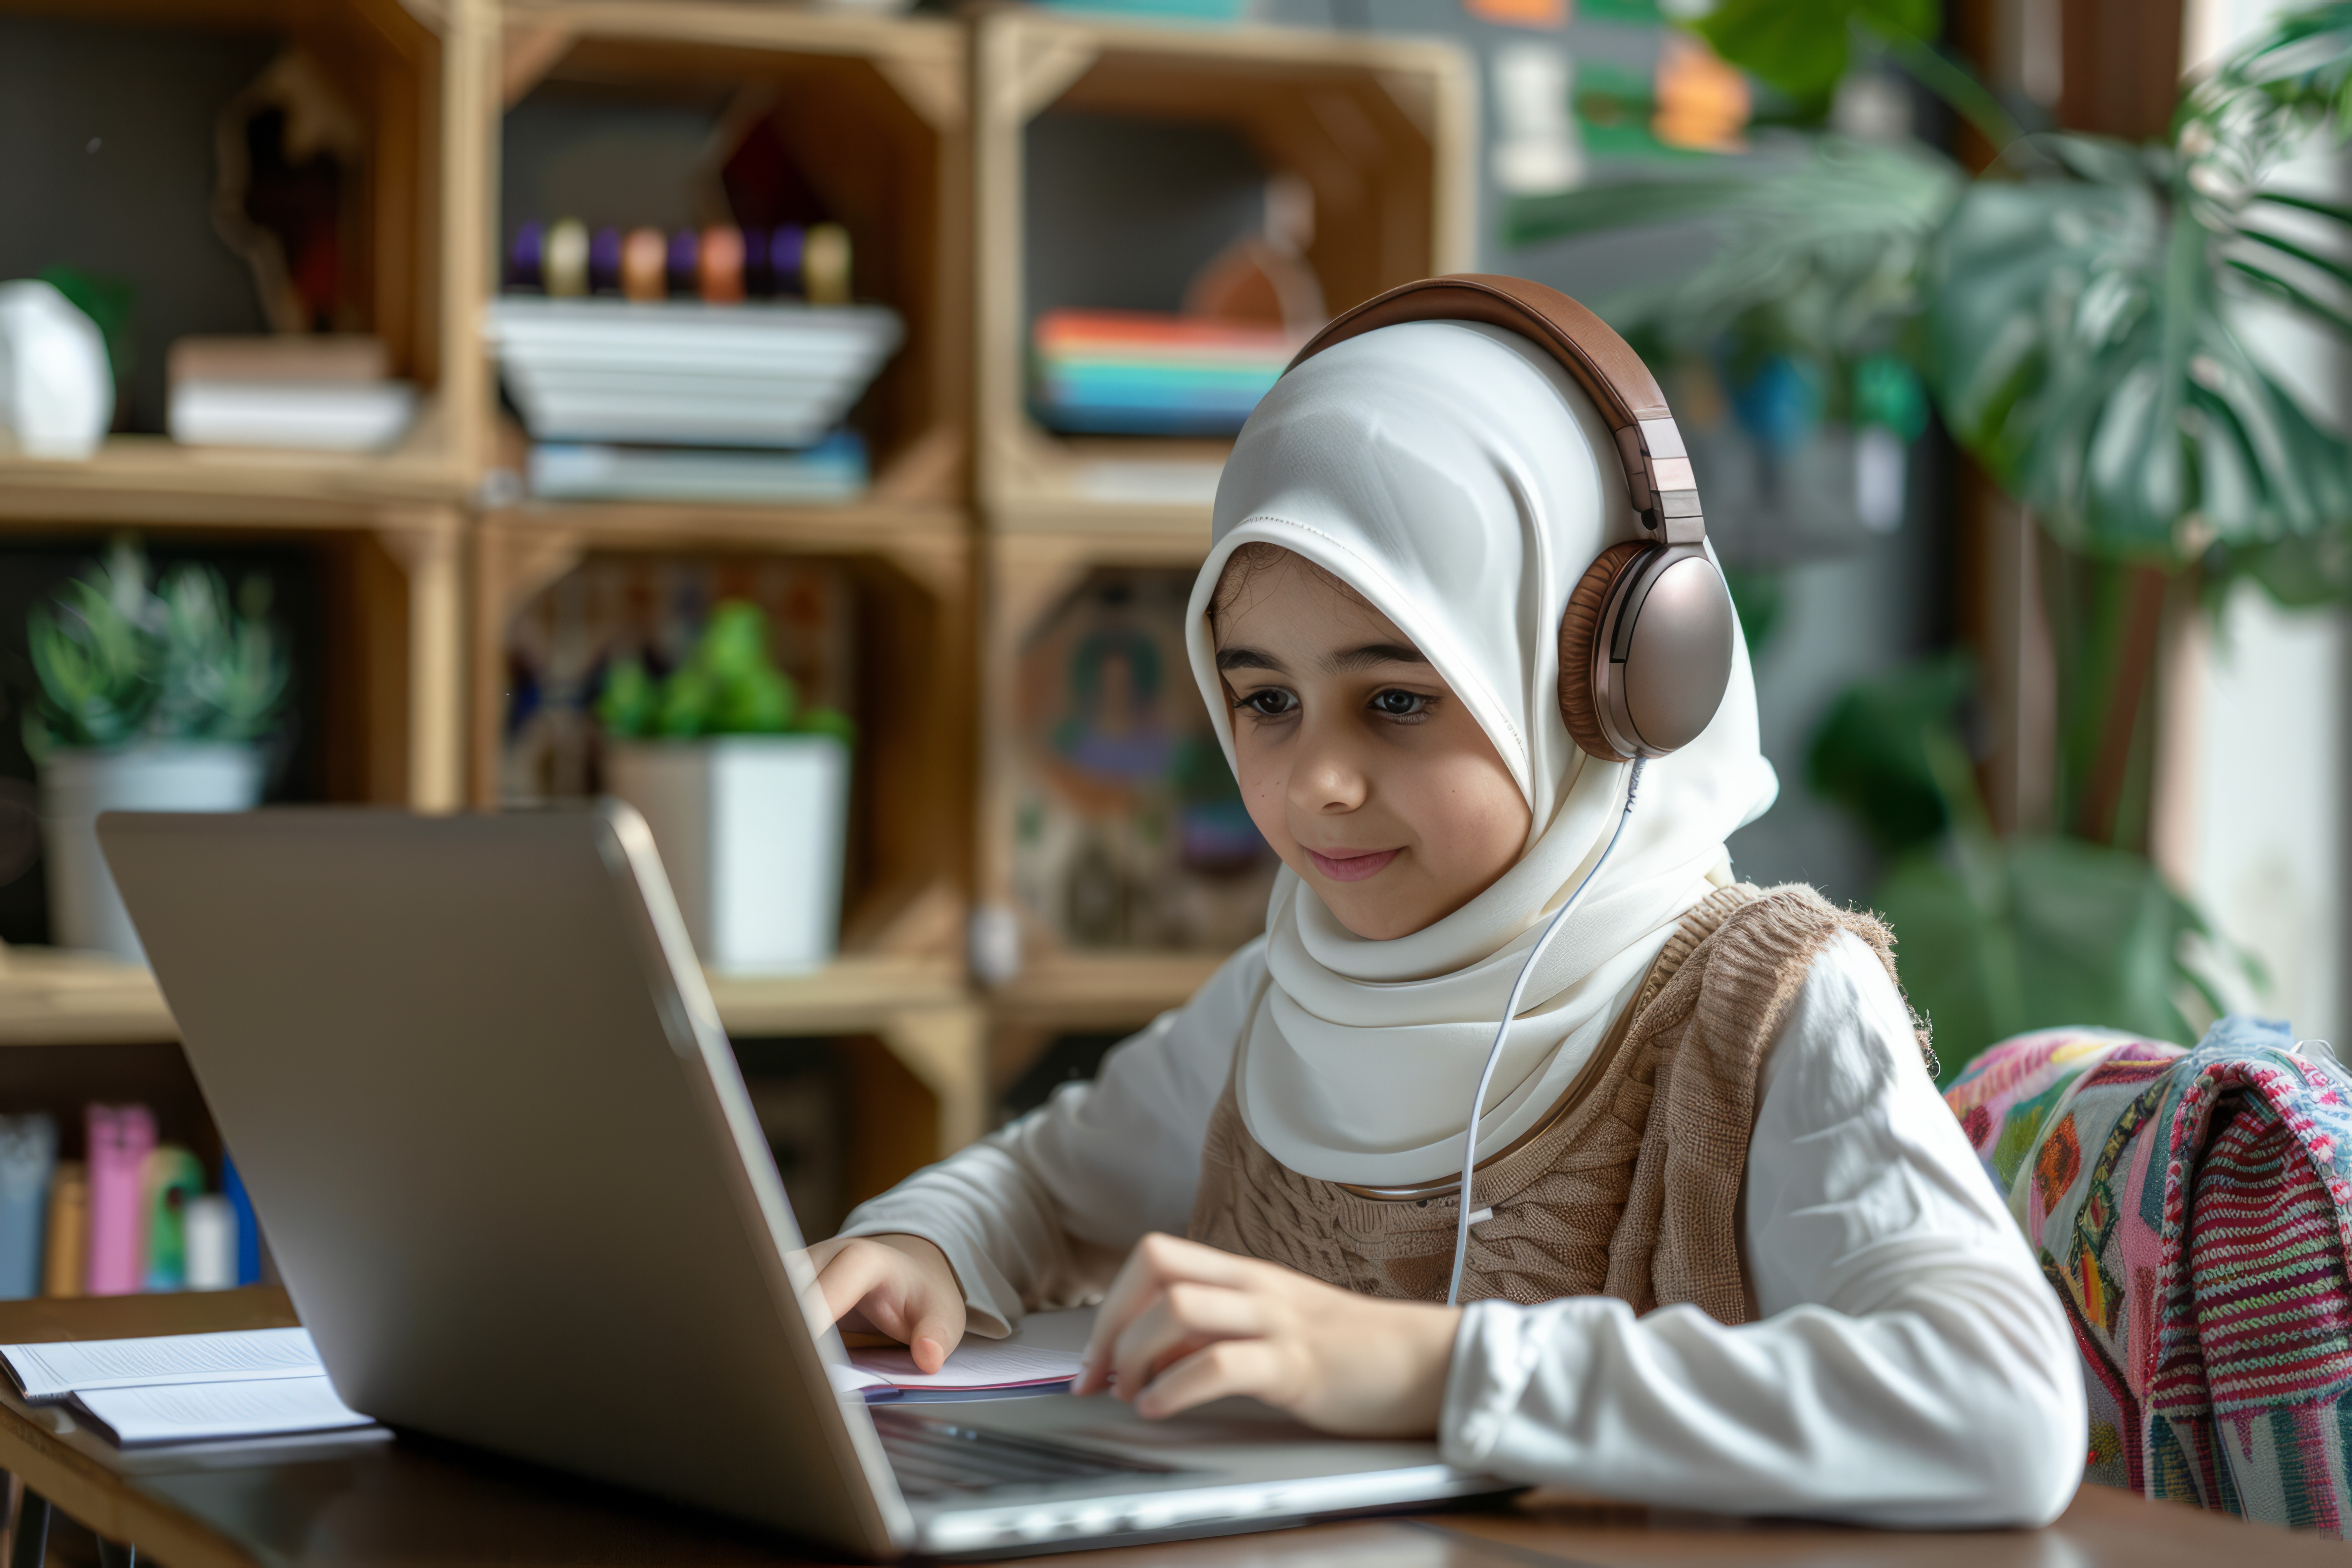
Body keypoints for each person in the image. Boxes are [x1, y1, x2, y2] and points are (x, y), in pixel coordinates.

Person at [811, 288, 2083, 1527]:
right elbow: (1045, 1185)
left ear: (1618, 688)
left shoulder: (1770, 1011)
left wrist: (1430, 1370)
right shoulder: (1283, 1000)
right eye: (1264, 701)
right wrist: (925, 1245)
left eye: (1400, 700)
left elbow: (2008, 1410)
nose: (1316, 781)